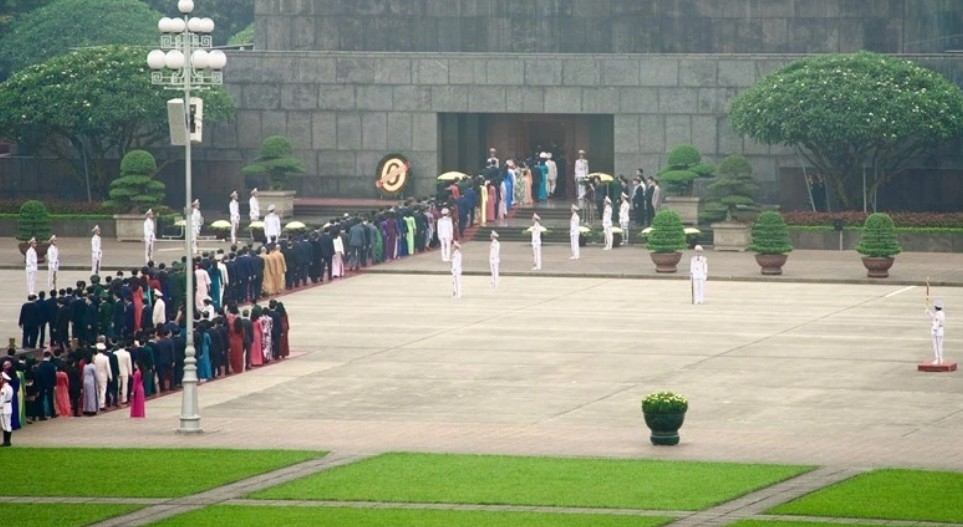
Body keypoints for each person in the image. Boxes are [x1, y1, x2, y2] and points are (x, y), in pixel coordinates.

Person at [925, 300, 946, 365]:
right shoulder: (941, 313)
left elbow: (936, 322)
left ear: (936, 307)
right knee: (940, 346)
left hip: (937, 331)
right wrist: (929, 312)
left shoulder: (938, 314)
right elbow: (934, 318)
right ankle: (941, 359)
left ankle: (937, 359)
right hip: (941, 330)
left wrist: (934, 331)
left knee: (936, 346)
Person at [1, 372, 13, 446]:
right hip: (8, 406)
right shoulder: (10, 387)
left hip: (4, 407)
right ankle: (7, 441)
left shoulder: (4, 389)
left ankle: (6, 441)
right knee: (8, 424)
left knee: (5, 425)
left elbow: (2, 399)